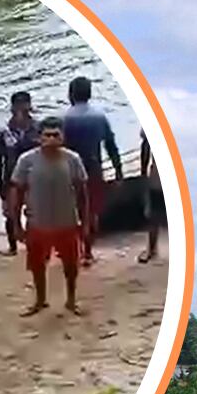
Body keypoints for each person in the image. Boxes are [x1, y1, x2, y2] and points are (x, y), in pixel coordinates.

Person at [12, 116, 88, 315]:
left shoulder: (73, 160)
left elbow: (82, 193)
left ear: (63, 136)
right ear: (39, 138)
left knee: (71, 266)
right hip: (38, 223)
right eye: (47, 135)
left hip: (67, 222)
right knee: (37, 266)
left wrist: (86, 221)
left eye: (56, 134)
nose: (52, 138)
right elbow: (18, 192)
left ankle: (71, 300)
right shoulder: (26, 160)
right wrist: (16, 224)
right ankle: (40, 300)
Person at [62, 76, 126, 265]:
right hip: (93, 168)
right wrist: (118, 171)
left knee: (70, 212)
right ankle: (88, 252)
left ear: (70, 94)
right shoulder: (99, 117)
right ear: (89, 94)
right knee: (90, 212)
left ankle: (72, 249)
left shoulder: (63, 118)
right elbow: (111, 146)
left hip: (68, 171)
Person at [0, 92, 43, 257]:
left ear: (30, 106)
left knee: (35, 213)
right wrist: (0, 182)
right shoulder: (4, 132)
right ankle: (13, 247)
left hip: (34, 178)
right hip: (11, 178)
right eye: (18, 105)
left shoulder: (39, 128)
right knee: (10, 214)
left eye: (25, 104)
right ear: (12, 107)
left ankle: (34, 245)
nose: (22, 108)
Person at [139, 130, 164, 263]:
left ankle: (152, 249)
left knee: (154, 215)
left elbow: (145, 147)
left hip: (157, 178)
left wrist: (143, 173)